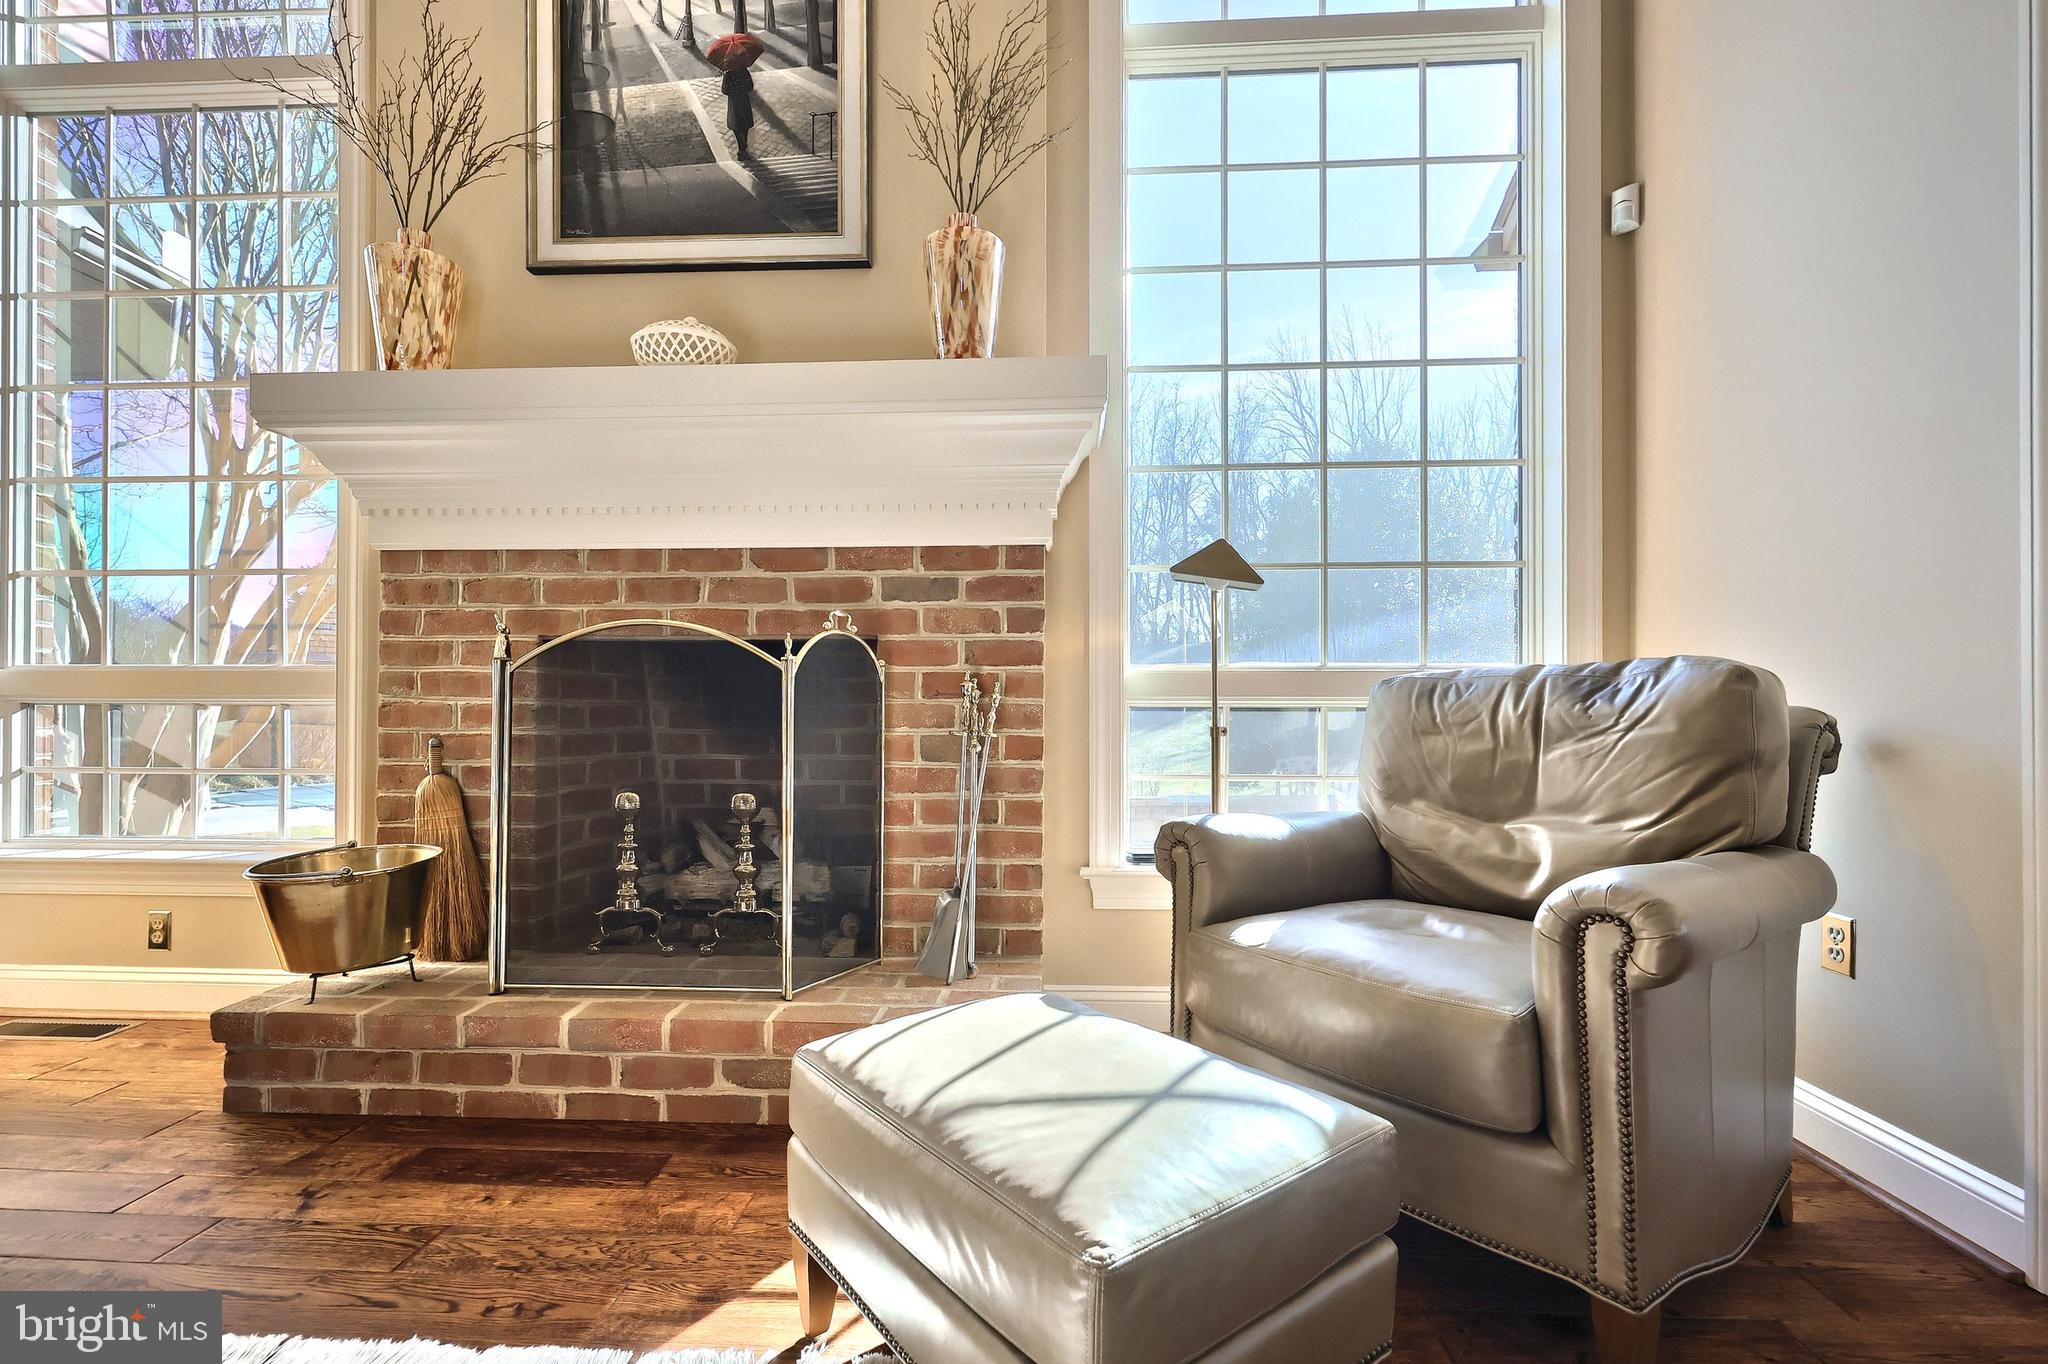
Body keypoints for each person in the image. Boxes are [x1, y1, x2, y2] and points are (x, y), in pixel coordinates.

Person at [722, 63, 757, 158]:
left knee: (736, 125)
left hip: (734, 102)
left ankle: (741, 147)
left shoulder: (728, 74)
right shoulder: (744, 72)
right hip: (744, 101)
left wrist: (733, 90)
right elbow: (750, 87)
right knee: (745, 125)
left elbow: (724, 90)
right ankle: (743, 144)